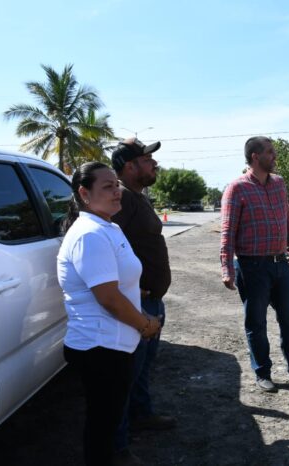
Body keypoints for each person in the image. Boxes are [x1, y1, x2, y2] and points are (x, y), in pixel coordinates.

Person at [57, 162, 162, 466]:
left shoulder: (108, 227)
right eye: (107, 186)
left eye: (116, 184)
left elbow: (114, 281)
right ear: (84, 193)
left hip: (113, 346)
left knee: (107, 421)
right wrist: (145, 324)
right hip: (100, 348)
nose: (117, 191)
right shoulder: (89, 234)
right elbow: (108, 298)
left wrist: (136, 294)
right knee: (102, 429)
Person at [220, 136, 289, 393]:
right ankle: (262, 372)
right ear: (255, 156)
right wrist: (226, 268)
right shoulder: (236, 188)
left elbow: (286, 219)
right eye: (270, 152)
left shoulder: (278, 183)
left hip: (280, 265)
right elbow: (228, 231)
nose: (275, 156)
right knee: (256, 323)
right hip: (252, 267)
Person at [110, 138, 176, 458]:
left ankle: (141, 415)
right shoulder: (122, 197)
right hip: (137, 302)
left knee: (141, 369)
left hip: (151, 301)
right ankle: (117, 447)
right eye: (148, 160)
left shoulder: (137, 196)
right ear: (130, 166)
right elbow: (108, 244)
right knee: (126, 375)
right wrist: (130, 289)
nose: (154, 164)